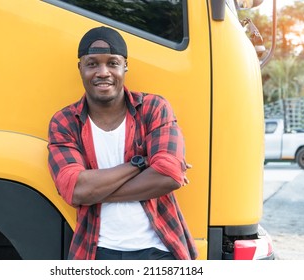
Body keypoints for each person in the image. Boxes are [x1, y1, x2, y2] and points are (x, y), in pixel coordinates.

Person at [47, 26, 197, 260]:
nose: (103, 72)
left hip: (160, 249)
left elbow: (168, 175)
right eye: (92, 63)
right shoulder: (65, 122)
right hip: (96, 251)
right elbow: (75, 189)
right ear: (80, 68)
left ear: (125, 66)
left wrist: (94, 191)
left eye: (113, 63)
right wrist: (141, 163)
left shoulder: (153, 108)